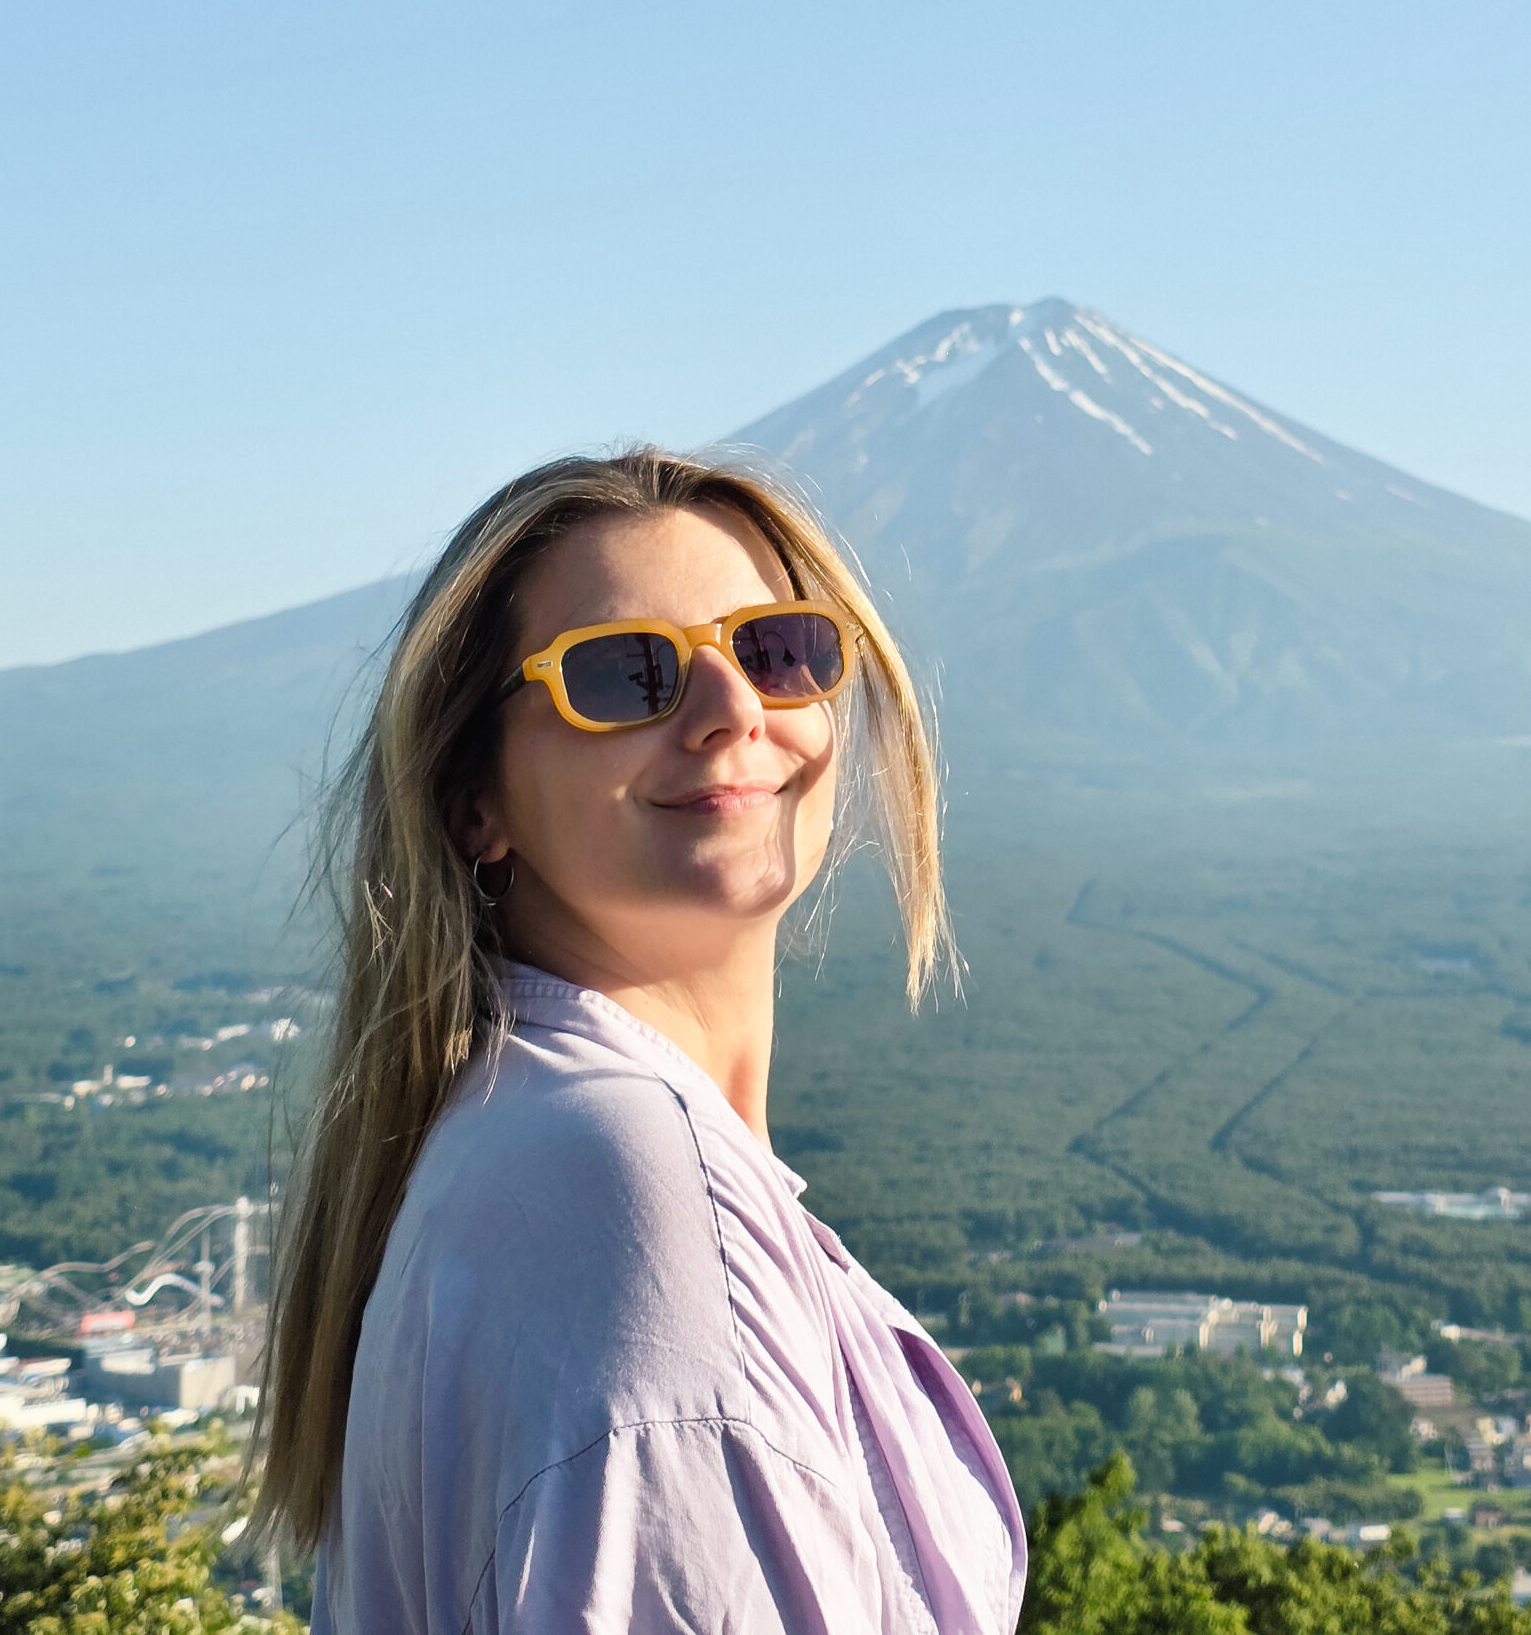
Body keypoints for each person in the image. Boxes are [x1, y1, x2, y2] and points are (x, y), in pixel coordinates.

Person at [255, 446, 1025, 1634]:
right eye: (625, 675)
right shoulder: (635, 1197)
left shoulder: (519, 1137)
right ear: (478, 801)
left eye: (778, 650)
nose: (732, 712)